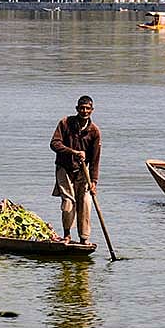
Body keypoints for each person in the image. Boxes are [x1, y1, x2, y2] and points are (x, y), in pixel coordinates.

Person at [50, 95, 102, 244]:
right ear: (77, 109)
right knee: (68, 203)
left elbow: (95, 159)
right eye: (82, 108)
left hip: (82, 172)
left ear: (92, 110)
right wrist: (73, 152)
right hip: (64, 169)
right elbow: (54, 144)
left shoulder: (94, 131)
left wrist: (94, 181)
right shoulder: (65, 123)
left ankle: (84, 238)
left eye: (87, 108)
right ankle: (67, 235)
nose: (84, 111)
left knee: (85, 202)